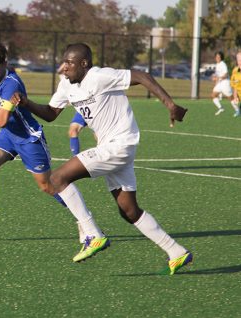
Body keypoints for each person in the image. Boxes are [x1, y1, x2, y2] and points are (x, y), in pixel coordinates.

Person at [11, 42, 192, 275]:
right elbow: (51, 113)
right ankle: (176, 251)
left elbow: (142, 75)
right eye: (63, 62)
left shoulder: (99, 76)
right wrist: (27, 103)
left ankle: (93, 234)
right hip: (113, 148)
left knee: (55, 179)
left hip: (120, 144)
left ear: (84, 64)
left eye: (69, 63)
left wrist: (169, 104)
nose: (63, 67)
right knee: (128, 210)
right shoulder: (66, 84)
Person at [0, 42, 90, 239]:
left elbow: (1, 120)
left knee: (47, 186)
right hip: (9, 135)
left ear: (4, 64)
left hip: (29, 139)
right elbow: (6, 122)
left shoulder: (11, 85)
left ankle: (83, 221)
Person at [211, 51, 240, 116]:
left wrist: (218, 78)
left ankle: (237, 110)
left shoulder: (222, 64)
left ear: (221, 58)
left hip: (225, 83)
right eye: (216, 57)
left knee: (231, 98)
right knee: (213, 95)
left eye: (219, 57)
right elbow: (217, 75)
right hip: (220, 83)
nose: (217, 58)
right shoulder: (217, 65)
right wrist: (214, 78)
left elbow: (226, 74)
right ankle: (221, 108)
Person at [230, 51, 241, 117]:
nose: (240, 62)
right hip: (239, 93)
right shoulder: (235, 70)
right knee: (233, 101)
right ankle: (238, 111)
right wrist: (235, 96)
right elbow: (234, 85)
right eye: (239, 60)